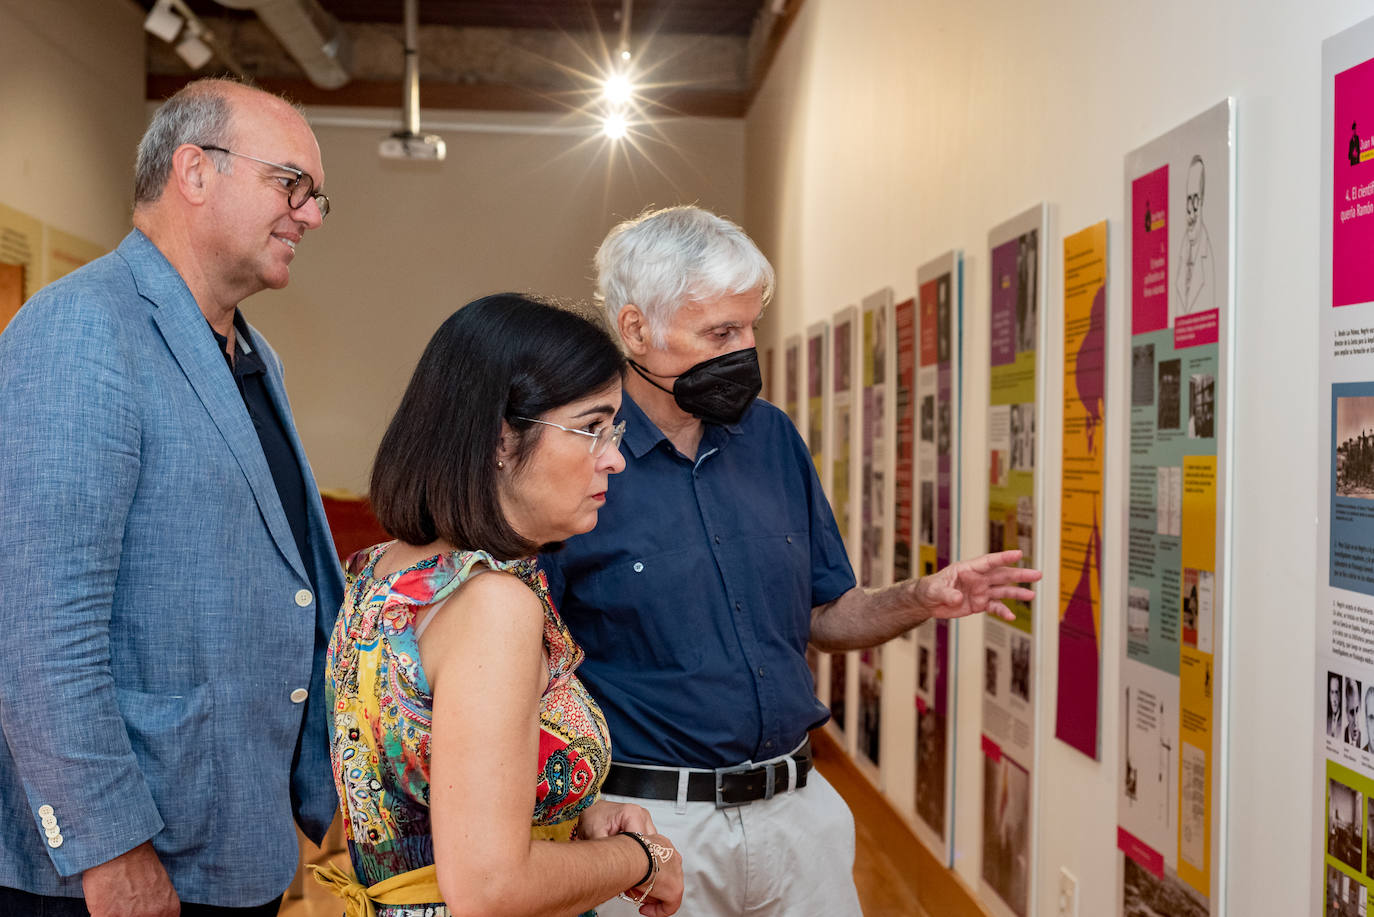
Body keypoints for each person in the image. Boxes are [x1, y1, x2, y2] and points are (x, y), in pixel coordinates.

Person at [540, 205, 1042, 916]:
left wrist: (921, 596)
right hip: (650, 825)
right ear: (635, 329)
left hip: (800, 815)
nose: (747, 350)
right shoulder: (576, 461)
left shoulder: (771, 439)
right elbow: (533, 665)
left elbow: (824, 616)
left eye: (752, 327)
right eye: (722, 332)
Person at [0, 78, 343, 916]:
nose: (309, 215)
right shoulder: (81, 326)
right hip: (116, 864)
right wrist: (110, 847)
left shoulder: (255, 357)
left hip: (233, 840)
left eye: (316, 196)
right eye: (291, 185)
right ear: (194, 170)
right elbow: (38, 628)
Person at [316, 294, 684, 917]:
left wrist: (580, 811)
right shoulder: (492, 605)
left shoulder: (383, 567)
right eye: (591, 429)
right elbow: (491, 888)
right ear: (500, 439)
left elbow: (432, 779)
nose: (616, 457)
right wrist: (645, 859)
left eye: (614, 431)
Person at [1330, 672, 1346, 740]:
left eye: (1336, 692)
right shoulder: (1327, 720)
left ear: (1340, 695)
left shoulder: (1344, 722)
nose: (1334, 699)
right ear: (1329, 695)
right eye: (1332, 692)